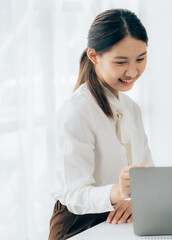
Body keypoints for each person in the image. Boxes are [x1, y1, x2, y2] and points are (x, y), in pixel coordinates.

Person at [49, 9, 154, 240]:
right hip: (78, 224)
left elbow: (148, 175)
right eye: (121, 62)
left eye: (141, 58)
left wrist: (136, 199)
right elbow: (73, 194)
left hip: (119, 220)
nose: (133, 71)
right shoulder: (78, 110)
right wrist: (119, 192)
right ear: (94, 56)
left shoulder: (132, 108)